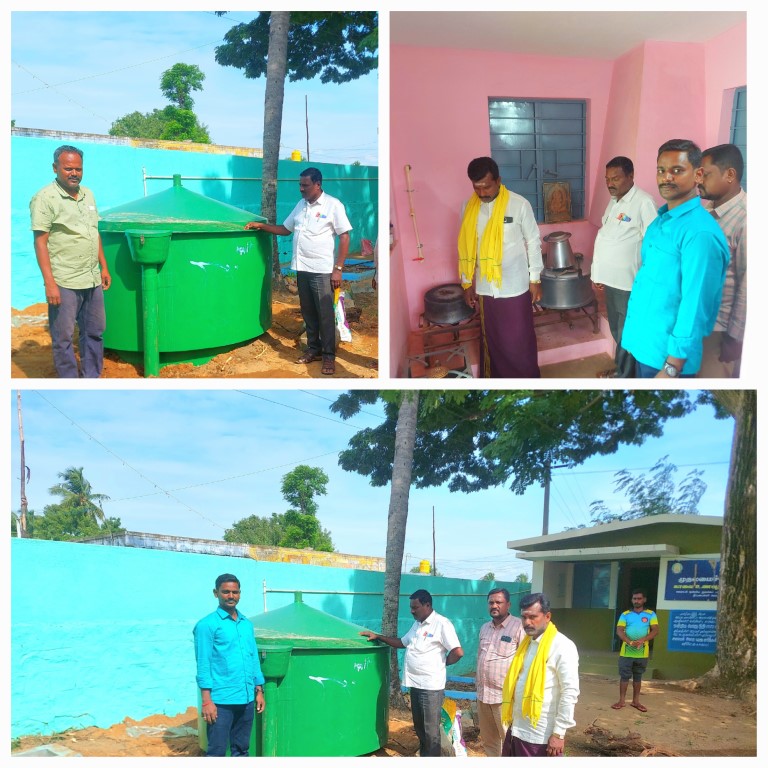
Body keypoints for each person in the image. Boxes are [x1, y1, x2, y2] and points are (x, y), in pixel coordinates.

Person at [621, 139, 729, 378]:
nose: (666, 177)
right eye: (661, 170)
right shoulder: (661, 221)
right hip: (644, 345)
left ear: (698, 174)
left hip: (666, 361)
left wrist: (672, 367)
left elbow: (695, 305)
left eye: (677, 170)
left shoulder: (699, 234)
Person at [245, 167, 352, 376]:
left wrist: (338, 269)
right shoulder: (300, 206)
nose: (301, 189)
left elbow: (345, 236)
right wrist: (261, 226)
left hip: (321, 270)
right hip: (301, 268)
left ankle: (329, 356)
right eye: (300, 185)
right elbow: (286, 229)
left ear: (318, 184)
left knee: (325, 315)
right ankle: (314, 349)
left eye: (305, 185)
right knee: (308, 312)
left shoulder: (333, 205)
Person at [29, 145, 111, 378]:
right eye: (68, 168)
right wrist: (50, 284)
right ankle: (68, 379)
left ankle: (91, 376)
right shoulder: (45, 198)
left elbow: (93, 232)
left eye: (78, 169)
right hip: (64, 280)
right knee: (63, 338)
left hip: (91, 278)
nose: (74, 173)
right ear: (55, 168)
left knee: (94, 332)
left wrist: (103, 266)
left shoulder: (88, 195)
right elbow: (40, 242)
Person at [458, 156, 544, 378]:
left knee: (519, 340)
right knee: (492, 340)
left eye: (486, 187)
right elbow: (466, 248)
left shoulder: (519, 204)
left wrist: (535, 279)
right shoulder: (469, 208)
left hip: (515, 286)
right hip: (486, 289)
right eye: (477, 188)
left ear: (498, 180)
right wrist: (467, 283)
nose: (482, 193)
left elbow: (533, 241)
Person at [360, 589, 464, 756]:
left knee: (431, 732)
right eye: (411, 607)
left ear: (427, 605)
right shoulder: (417, 624)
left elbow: (457, 652)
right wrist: (379, 636)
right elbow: (402, 642)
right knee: (420, 728)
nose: (412, 611)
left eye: (415, 607)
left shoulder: (441, 624)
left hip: (430, 687)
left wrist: (442, 663)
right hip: (415, 685)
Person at [591, 156, 658, 378]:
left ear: (630, 176)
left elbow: (653, 243)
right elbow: (608, 237)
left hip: (629, 284)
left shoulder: (643, 202)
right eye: (607, 179)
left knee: (627, 332)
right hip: (611, 282)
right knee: (617, 330)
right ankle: (622, 371)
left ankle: (624, 376)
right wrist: (598, 273)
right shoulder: (615, 200)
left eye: (616, 178)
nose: (610, 183)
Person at [193, 574, 265, 757]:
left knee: (241, 750)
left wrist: (259, 690)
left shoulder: (246, 624)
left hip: (247, 698)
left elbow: (253, 657)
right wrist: (207, 701)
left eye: (235, 592)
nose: (231, 596)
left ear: (240, 594)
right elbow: (203, 663)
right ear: (215, 593)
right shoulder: (207, 625)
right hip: (221, 701)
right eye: (225, 592)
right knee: (216, 752)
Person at [500, 592, 579, 757]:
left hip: (540, 734)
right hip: (518, 728)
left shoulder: (562, 646)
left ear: (547, 616)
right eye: (524, 617)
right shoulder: (527, 643)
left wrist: (558, 733)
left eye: (533, 617)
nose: (527, 622)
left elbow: (570, 692)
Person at [696, 144, 747, 378]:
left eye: (705, 174)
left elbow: (749, 284)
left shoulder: (746, 219)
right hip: (696, 321)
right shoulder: (708, 210)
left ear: (729, 175)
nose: (699, 180)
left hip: (719, 330)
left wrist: (734, 337)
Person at [476, 588, 524, 757]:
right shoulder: (484, 628)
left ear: (508, 605)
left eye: (499, 602)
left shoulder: (519, 627)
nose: (494, 605)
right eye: (491, 602)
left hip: (504, 698)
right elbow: (480, 657)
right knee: (489, 741)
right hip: (483, 696)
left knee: (509, 741)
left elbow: (525, 662)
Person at [611, 588, 659, 713]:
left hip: (642, 652)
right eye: (634, 599)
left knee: (638, 676)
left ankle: (636, 701)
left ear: (644, 600)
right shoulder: (625, 614)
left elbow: (655, 630)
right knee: (624, 676)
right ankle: (621, 701)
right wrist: (629, 641)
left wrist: (643, 640)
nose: (636, 601)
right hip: (626, 651)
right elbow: (619, 630)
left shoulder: (650, 614)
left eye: (639, 598)